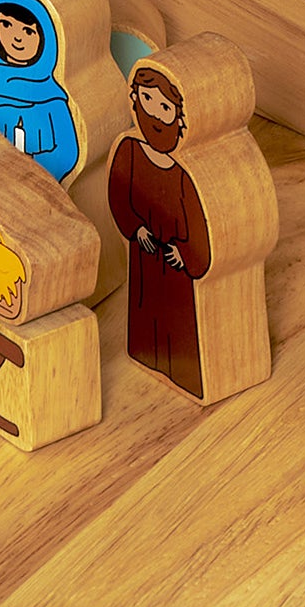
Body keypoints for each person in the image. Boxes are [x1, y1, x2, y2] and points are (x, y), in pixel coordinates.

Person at [107, 67, 213, 398]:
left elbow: (203, 220)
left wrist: (186, 251)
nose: (153, 112)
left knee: (179, 323)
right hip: (146, 255)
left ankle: (184, 372)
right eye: (147, 99)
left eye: (164, 107)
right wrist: (135, 227)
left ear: (180, 116)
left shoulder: (189, 171)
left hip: (177, 267)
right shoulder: (130, 150)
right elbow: (118, 194)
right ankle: (147, 357)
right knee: (146, 315)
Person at [0, 0, 79, 182]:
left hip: (41, 181)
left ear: (45, 37)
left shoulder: (51, 94)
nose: (16, 38)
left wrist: (33, 166)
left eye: (28, 31)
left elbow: (68, 149)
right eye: (6, 25)